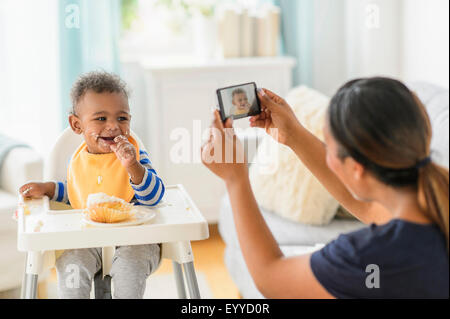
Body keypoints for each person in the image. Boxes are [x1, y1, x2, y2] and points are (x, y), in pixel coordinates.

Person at [202, 77, 449, 298]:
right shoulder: (434, 205)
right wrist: (293, 134)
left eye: (329, 147)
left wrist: (236, 179)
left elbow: (271, 278)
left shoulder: (366, 255)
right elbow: (369, 209)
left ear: (356, 168)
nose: (328, 155)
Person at [19, 71, 164, 299]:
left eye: (122, 118)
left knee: (129, 270)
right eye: (101, 118)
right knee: (71, 267)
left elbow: (154, 196)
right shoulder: (78, 160)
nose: (113, 126)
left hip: (135, 240)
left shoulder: (134, 156)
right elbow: (77, 193)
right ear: (77, 125)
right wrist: (48, 188)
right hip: (87, 240)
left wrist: (133, 166)